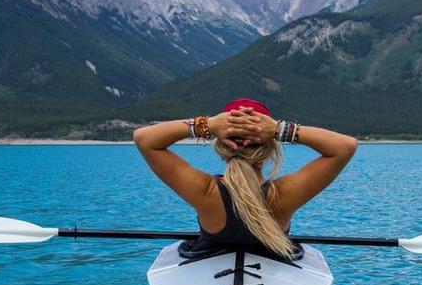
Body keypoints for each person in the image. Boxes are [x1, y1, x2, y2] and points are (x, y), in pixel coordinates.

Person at [133, 99, 358, 259]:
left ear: (221, 145)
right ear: (271, 147)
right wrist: (280, 129)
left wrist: (207, 124)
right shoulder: (284, 195)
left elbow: (144, 138)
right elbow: (345, 146)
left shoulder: (205, 192)